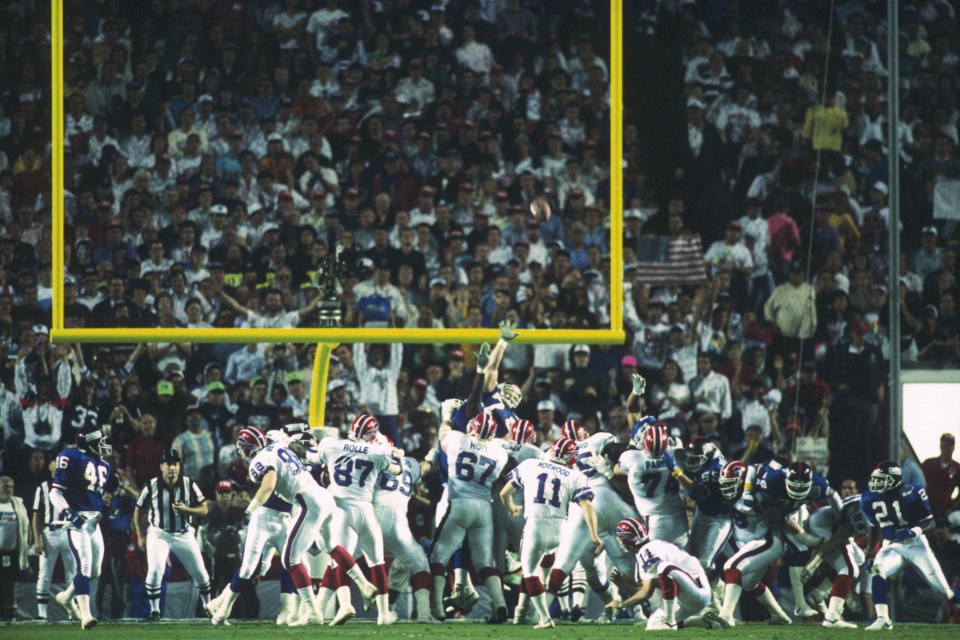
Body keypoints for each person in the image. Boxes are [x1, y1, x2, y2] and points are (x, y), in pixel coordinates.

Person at [230, 425, 377, 627]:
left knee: (289, 559)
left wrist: (249, 510)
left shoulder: (261, 458)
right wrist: (301, 431)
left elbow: (268, 487)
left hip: (308, 503)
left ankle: (313, 612)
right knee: (331, 546)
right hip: (324, 497)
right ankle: (364, 585)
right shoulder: (278, 443)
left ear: (249, 447)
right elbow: (295, 434)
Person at [308, 414, 403, 625]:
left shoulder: (332, 444)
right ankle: (384, 614)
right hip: (365, 509)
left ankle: (344, 604)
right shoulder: (379, 451)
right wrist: (397, 454)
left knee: (339, 560)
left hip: (340, 509)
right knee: (377, 562)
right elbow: (398, 470)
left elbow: (310, 456)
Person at [500, 437, 601, 629]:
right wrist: (594, 534)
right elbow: (587, 505)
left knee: (529, 572)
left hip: (535, 526)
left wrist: (512, 507)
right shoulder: (575, 475)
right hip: (559, 530)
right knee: (546, 555)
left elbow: (504, 493)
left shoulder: (530, 465)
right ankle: (539, 588)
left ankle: (542, 616)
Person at [430, 411, 510, 623]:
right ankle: (500, 604)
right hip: (484, 509)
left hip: (459, 503)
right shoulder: (499, 452)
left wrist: (446, 416)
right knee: (484, 563)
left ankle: (437, 608)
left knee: (438, 555)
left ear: (472, 428)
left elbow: (443, 435)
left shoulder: (458, 439)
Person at [860, 461, 960, 630]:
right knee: (878, 570)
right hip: (891, 545)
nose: (876, 483)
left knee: (944, 591)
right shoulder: (869, 497)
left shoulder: (913, 492)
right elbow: (875, 528)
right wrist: (870, 553)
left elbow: (930, 522)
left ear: (895, 479)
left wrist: (913, 531)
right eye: (876, 478)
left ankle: (955, 602)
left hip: (916, 546)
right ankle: (883, 619)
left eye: (882, 479)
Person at [134, 448, 212, 620]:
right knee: (155, 571)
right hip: (159, 533)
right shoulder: (151, 485)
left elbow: (204, 509)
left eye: (175, 464)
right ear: (161, 466)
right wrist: (140, 534)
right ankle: (154, 610)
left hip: (183, 533)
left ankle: (208, 605)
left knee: (200, 573)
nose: (172, 468)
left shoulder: (189, 484)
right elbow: (138, 509)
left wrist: (187, 510)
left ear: (179, 466)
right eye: (168, 464)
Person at [49, 426, 113, 629]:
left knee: (95, 571)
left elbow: (91, 495)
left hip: (94, 522)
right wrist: (68, 512)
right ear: (90, 443)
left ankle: (66, 597)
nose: (104, 445)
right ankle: (86, 615)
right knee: (83, 567)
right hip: (78, 521)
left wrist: (105, 508)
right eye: (100, 441)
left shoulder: (103, 465)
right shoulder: (72, 457)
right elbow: (55, 493)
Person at [608, 517, 711, 630]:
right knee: (653, 626)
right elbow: (645, 591)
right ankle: (701, 621)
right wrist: (625, 585)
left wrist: (621, 605)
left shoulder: (647, 551)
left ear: (627, 539)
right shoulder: (648, 549)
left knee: (664, 568)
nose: (620, 542)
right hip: (685, 595)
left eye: (621, 538)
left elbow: (646, 593)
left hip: (697, 590)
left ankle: (669, 620)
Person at [615, 422, 689, 545]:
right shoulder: (676, 454)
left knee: (655, 560)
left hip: (655, 520)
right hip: (679, 517)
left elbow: (617, 470)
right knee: (683, 558)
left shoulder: (633, 458)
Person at [32, 460, 77, 620]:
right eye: (54, 463)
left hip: (68, 530)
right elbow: (36, 515)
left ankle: (73, 611)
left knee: (72, 573)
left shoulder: (72, 485)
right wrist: (37, 539)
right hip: (50, 531)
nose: (57, 466)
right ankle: (42, 613)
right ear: (50, 466)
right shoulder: (43, 486)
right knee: (44, 572)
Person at [0, 476, 28, 621]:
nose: (8, 489)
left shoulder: (17, 504)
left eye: (11, 486)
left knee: (11, 585)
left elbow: (25, 527)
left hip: (12, 551)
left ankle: (10, 616)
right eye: (5, 486)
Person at [920, 433, 960, 517]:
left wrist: (952, 508)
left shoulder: (957, 468)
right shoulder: (928, 464)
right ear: (940, 446)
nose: (946, 449)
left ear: (953, 448)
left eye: (949, 446)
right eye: (944, 446)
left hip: (944, 512)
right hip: (925, 508)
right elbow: (917, 483)